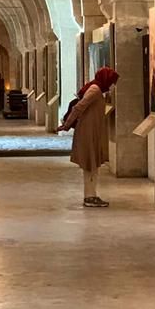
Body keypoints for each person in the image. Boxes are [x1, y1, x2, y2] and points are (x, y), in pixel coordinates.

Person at [57, 66, 119, 207]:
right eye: (112, 82)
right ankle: (90, 197)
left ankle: (91, 195)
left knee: (92, 165)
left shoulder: (97, 89)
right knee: (90, 164)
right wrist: (67, 125)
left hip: (93, 130)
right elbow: (78, 107)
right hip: (88, 131)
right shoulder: (95, 90)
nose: (112, 86)